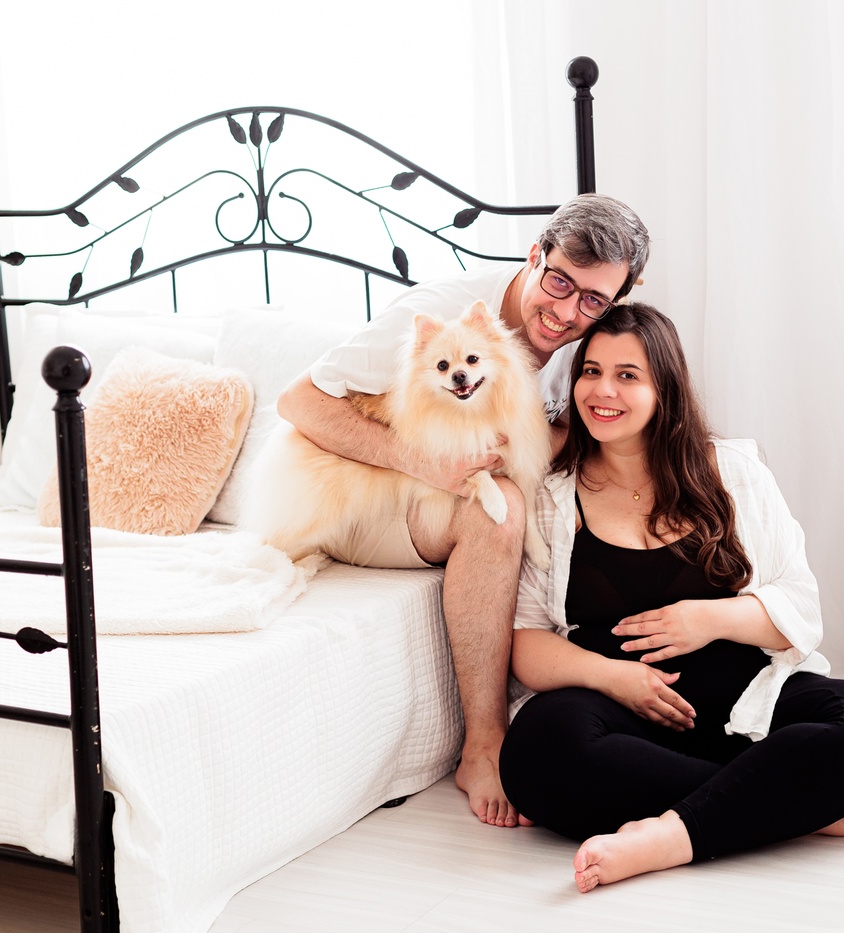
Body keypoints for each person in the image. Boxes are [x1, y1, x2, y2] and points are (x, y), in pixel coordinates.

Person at [498, 302, 844, 891]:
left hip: (744, 701)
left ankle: (669, 838)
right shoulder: (551, 494)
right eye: (590, 371)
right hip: (621, 712)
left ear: (664, 388)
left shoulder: (733, 470)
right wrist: (615, 678)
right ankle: (792, 805)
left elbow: (799, 606)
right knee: (536, 752)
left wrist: (708, 619)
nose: (602, 390)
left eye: (627, 375)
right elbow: (528, 641)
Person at [276, 194, 651, 828]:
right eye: (559, 282)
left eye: (593, 299)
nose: (566, 312)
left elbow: (574, 432)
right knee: (497, 511)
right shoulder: (435, 317)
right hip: (365, 498)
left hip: (440, 496)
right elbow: (298, 402)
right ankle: (483, 745)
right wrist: (426, 462)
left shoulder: (590, 342)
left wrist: (526, 446)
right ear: (534, 257)